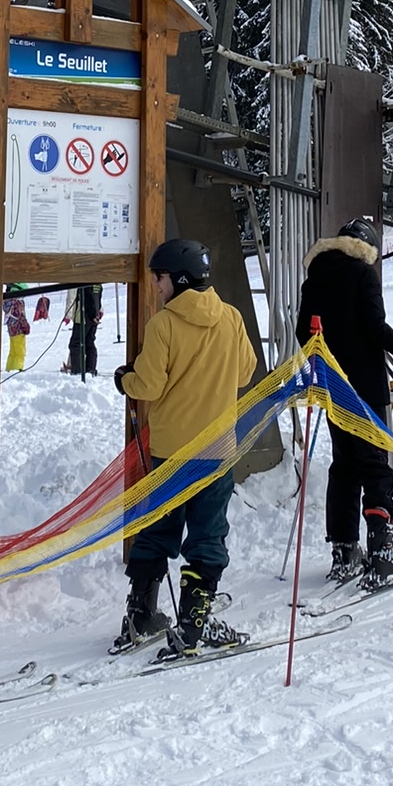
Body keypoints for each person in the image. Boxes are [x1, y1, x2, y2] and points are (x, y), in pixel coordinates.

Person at [113, 240, 257, 656]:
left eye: (157, 279)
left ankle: (141, 612)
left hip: (171, 450)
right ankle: (195, 620)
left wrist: (126, 379)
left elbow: (149, 385)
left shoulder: (164, 325)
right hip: (216, 450)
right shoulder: (230, 317)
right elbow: (246, 371)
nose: (155, 287)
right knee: (208, 533)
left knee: (158, 526)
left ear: (175, 279)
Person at [295, 218, 393, 590]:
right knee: (374, 462)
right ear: (367, 249)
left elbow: (301, 330)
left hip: (332, 382)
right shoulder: (361, 274)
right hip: (365, 384)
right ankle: (382, 550)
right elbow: (375, 326)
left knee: (344, 465)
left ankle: (344, 549)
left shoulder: (316, 276)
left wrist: (323, 364)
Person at [66, 282, 103, 379]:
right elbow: (98, 297)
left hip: (83, 317)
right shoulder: (98, 283)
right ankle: (91, 369)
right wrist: (98, 312)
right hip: (94, 317)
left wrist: (68, 315)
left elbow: (85, 297)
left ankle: (77, 371)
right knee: (89, 343)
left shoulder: (84, 280)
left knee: (75, 344)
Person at [4, 289, 30, 371]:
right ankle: (18, 368)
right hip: (19, 330)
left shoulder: (8, 303)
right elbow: (20, 316)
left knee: (13, 351)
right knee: (20, 352)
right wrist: (26, 326)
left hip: (11, 330)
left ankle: (9, 367)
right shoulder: (18, 302)